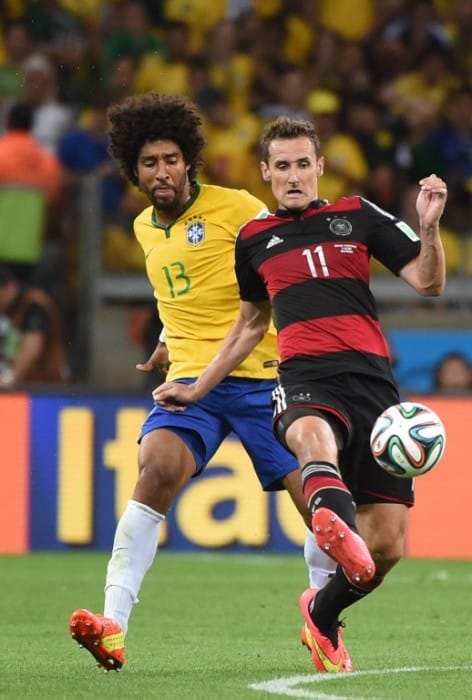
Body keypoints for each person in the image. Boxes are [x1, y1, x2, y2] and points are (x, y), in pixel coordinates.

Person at [154, 116, 447, 672]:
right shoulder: (254, 238)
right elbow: (247, 326)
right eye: (281, 167)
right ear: (265, 172)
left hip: (374, 388)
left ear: (319, 166)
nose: (292, 176)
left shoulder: (357, 216)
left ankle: (323, 611)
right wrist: (199, 387)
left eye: (302, 165)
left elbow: (428, 282)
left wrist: (428, 227)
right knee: (313, 438)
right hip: (303, 377)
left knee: (387, 547)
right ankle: (337, 536)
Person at [68, 94, 335, 672]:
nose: (160, 172)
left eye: (169, 159)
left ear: (189, 160)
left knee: (315, 505)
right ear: (132, 170)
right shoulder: (144, 228)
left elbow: (282, 250)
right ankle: (113, 624)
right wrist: (167, 335)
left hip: (263, 379)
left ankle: (325, 624)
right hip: (191, 382)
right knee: (156, 468)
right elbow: (179, 292)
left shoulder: (236, 208)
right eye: (148, 163)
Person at [0, 264, 68, 386]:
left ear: (10, 287)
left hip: (46, 387)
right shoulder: (8, 309)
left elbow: (31, 348)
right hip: (22, 384)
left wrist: (8, 379)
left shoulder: (34, 305)